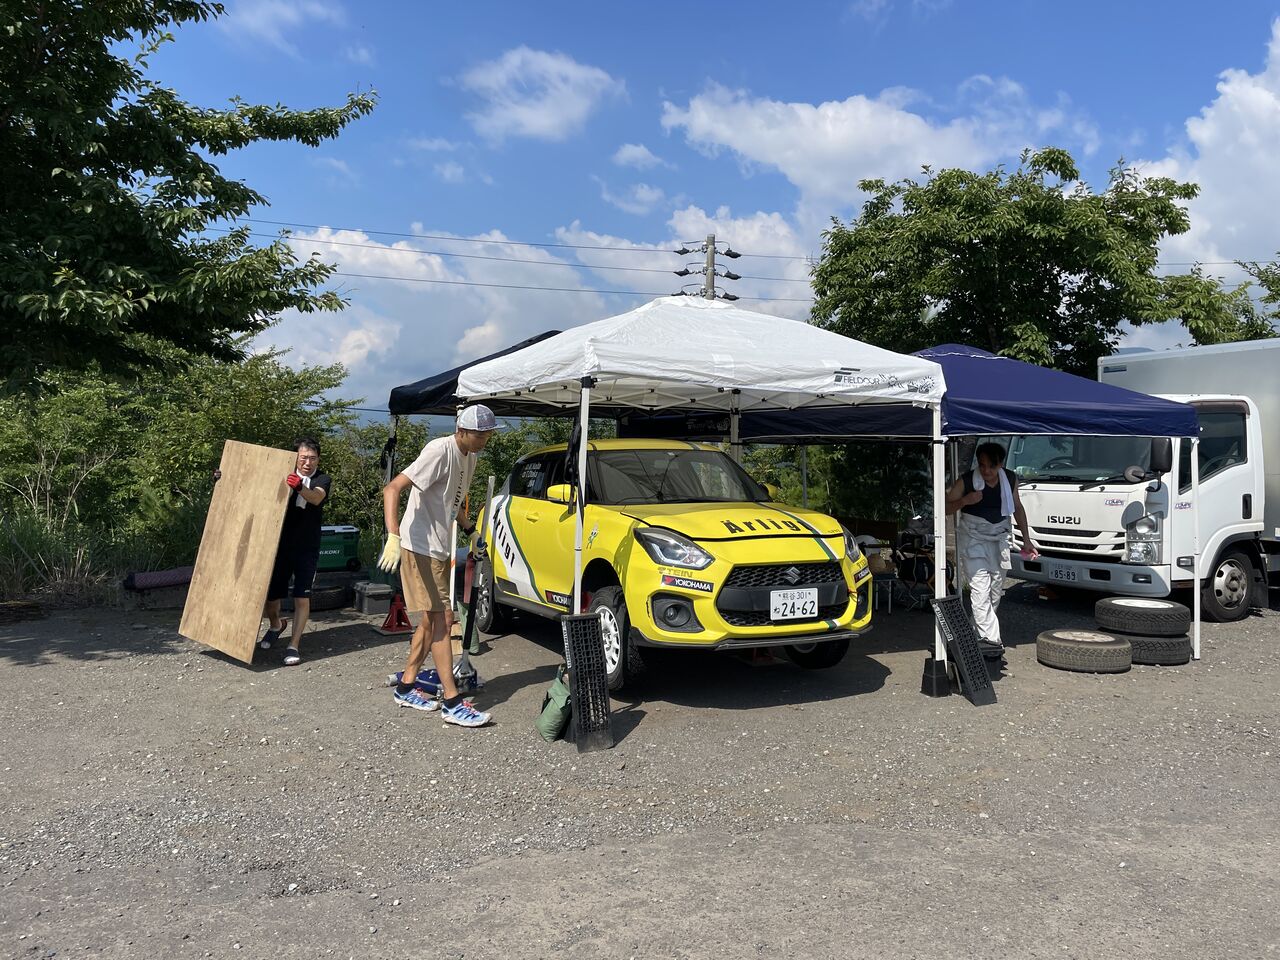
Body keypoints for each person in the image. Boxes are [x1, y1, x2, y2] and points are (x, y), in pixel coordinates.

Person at [379, 405, 500, 727]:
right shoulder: (438, 451)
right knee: (442, 620)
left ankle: (406, 686)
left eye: (488, 434)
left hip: (438, 548)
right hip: (418, 546)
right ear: (461, 430)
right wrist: (393, 535)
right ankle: (452, 702)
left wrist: (471, 530)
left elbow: (452, 501)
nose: (485, 440)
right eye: (479, 434)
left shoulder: (469, 457)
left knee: (432, 621)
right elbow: (392, 488)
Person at [945, 441, 1038, 660]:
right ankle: (992, 642)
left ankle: (976, 636)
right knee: (980, 589)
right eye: (982, 465)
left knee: (995, 591)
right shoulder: (967, 480)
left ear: (1000, 464)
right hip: (973, 539)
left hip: (999, 537)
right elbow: (945, 507)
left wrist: (1027, 540)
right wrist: (965, 500)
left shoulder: (1010, 478)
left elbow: (1017, 507)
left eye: (991, 466)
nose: (986, 471)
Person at [260, 438, 331, 666]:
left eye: (312, 458)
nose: (308, 463)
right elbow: (252, 485)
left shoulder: (322, 479)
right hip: (279, 545)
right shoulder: (282, 474)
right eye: (303, 458)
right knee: (272, 597)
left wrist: (300, 487)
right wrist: (223, 478)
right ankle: (276, 625)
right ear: (295, 458)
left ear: (318, 459)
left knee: (302, 596)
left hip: (307, 547)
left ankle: (294, 645)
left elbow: (316, 498)